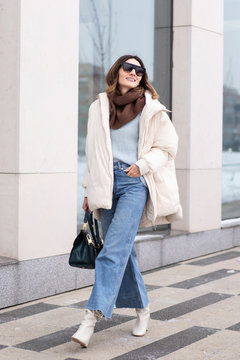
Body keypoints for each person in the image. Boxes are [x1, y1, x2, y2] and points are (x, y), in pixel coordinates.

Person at [71, 55, 182, 348]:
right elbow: (93, 152)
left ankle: (90, 318)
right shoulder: (99, 107)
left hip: (134, 183)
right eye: (128, 67)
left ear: (143, 76)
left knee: (112, 251)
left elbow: (168, 147)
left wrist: (143, 165)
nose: (133, 72)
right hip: (106, 184)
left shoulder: (152, 108)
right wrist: (88, 189)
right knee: (125, 252)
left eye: (139, 70)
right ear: (117, 71)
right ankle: (143, 308)